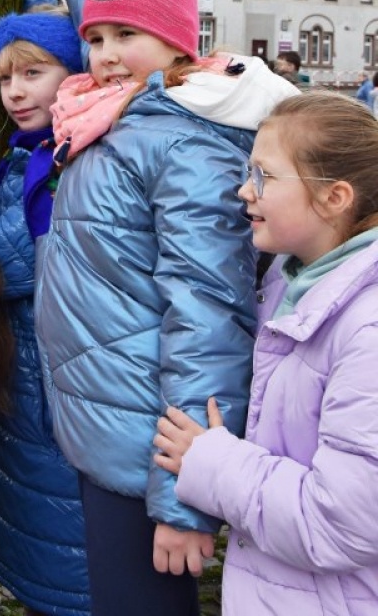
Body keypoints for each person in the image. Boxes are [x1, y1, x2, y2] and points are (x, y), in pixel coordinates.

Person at [31, 0, 297, 616]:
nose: (104, 54)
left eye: (126, 39)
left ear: (179, 48)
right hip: (108, 425)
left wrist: (184, 498)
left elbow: (209, 317)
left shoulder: (191, 141)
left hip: (149, 448)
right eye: (96, 39)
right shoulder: (125, 106)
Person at [154, 92, 378, 614]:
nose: (243, 190)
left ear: (335, 197)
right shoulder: (288, 278)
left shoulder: (367, 330)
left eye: (264, 176)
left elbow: (341, 525)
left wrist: (209, 460)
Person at [0, 0, 91, 616]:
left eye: (33, 74)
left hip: (59, 404)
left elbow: (10, 262)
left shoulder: (69, 162)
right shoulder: (27, 155)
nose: (16, 90)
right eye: (3, 78)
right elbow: (49, 28)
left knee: (72, 568)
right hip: (27, 397)